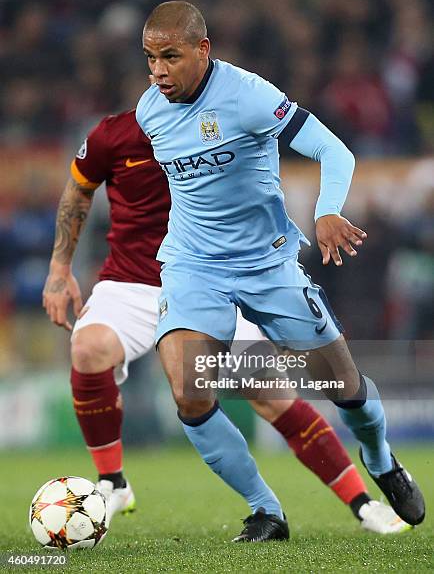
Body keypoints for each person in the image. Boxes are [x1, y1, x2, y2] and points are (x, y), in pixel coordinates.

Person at [44, 108, 410, 537]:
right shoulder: (115, 135)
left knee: (272, 395)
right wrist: (59, 267)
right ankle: (115, 482)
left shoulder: (225, 124)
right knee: (88, 348)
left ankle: (363, 503)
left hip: (212, 282)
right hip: (132, 283)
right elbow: (78, 189)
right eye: (155, 63)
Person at [135, 0, 425, 539]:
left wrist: (328, 211)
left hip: (268, 262)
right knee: (189, 390)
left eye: (169, 57)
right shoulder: (149, 110)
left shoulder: (249, 96)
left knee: (344, 386)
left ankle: (381, 460)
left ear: (203, 49)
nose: (158, 72)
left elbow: (333, 151)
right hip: (193, 264)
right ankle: (266, 509)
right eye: (150, 58)